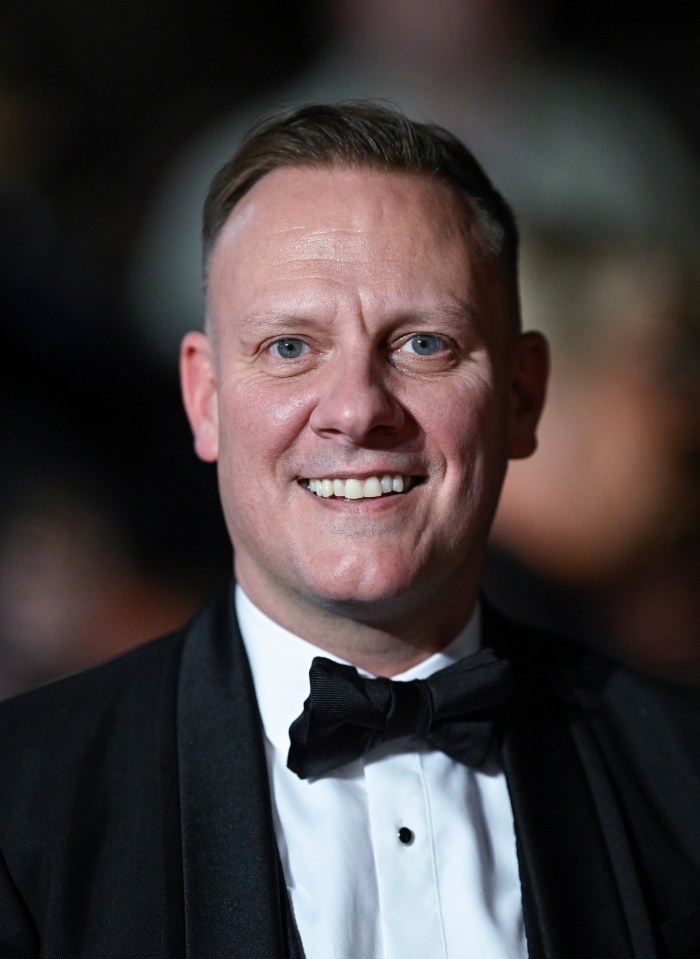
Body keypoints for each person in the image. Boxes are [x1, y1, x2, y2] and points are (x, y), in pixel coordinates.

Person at [1, 102, 699, 959]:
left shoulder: (685, 777)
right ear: (204, 397)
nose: (357, 409)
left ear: (522, 395)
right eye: (291, 347)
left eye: (423, 344)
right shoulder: (21, 806)